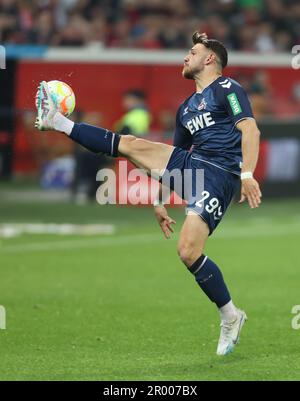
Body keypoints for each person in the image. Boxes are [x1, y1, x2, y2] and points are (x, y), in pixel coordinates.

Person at [35, 32, 262, 356]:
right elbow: (172, 158)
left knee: (187, 251)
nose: (186, 56)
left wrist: (247, 174)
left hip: (221, 173)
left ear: (209, 58)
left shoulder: (228, 89)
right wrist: (158, 200)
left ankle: (230, 315)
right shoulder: (185, 109)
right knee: (131, 144)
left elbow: (250, 129)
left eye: (192, 51)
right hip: (193, 165)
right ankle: (57, 120)